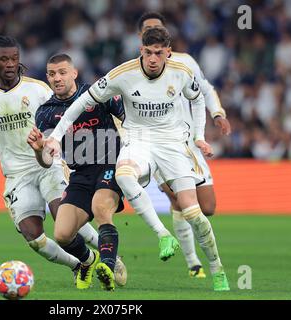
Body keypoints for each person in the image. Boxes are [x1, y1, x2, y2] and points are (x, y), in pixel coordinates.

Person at [43, 28, 230, 291]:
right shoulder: (123, 74)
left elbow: (197, 98)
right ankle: (163, 235)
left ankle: (216, 268)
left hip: (172, 143)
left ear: (167, 52)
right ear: (141, 50)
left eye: (158, 53)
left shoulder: (182, 71)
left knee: (193, 212)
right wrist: (55, 137)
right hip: (138, 140)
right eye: (148, 52)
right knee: (123, 175)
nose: (153, 59)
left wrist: (199, 135)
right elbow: (82, 102)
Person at [0, 35, 104, 282]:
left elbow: (62, 120)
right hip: (16, 174)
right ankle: (81, 264)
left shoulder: (39, 89)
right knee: (34, 238)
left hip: (47, 164)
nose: (10, 64)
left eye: (14, 59)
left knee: (64, 216)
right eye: (4, 59)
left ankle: (108, 257)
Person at [135, 12, 232, 278]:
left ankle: (197, 256)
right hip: (158, 147)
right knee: (178, 201)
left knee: (207, 207)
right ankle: (193, 263)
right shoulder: (135, 69)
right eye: (148, 30)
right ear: (140, 39)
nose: (154, 33)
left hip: (189, 144)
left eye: (158, 29)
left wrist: (218, 113)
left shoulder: (185, 62)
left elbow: (205, 90)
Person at [27, 53, 126, 291]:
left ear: (74, 73)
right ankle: (89, 261)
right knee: (62, 234)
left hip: (110, 165)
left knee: (101, 208)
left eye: (62, 72)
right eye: (51, 74)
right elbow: (46, 162)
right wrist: (39, 150)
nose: (57, 78)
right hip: (80, 174)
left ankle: (109, 267)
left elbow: (129, 117)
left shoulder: (97, 94)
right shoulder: (45, 113)